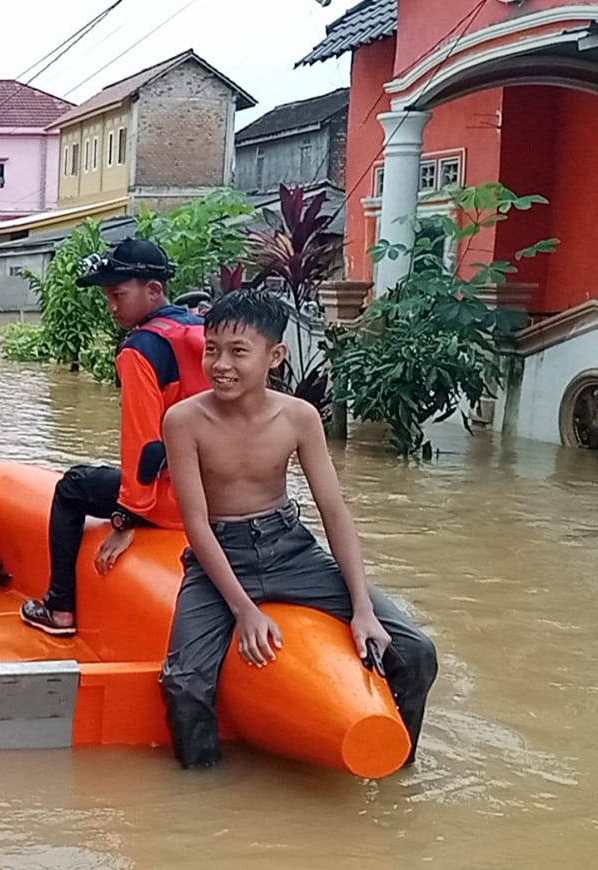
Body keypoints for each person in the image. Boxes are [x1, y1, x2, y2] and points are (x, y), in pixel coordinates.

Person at [159, 289, 438, 769]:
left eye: (238, 352)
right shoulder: (184, 420)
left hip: (291, 550)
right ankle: (201, 795)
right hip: (219, 558)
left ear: (275, 356)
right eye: (212, 349)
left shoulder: (299, 417)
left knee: (415, 650)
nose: (221, 364)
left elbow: (333, 510)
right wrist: (244, 610)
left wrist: (361, 608)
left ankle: (396, 764)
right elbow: (197, 524)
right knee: (183, 682)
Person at [20, 239, 209, 637]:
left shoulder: (141, 350)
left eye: (118, 295)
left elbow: (143, 444)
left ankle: (59, 608)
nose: (112, 306)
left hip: (172, 501)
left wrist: (127, 516)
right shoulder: (206, 333)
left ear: (153, 290)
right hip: (219, 497)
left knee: (73, 487)